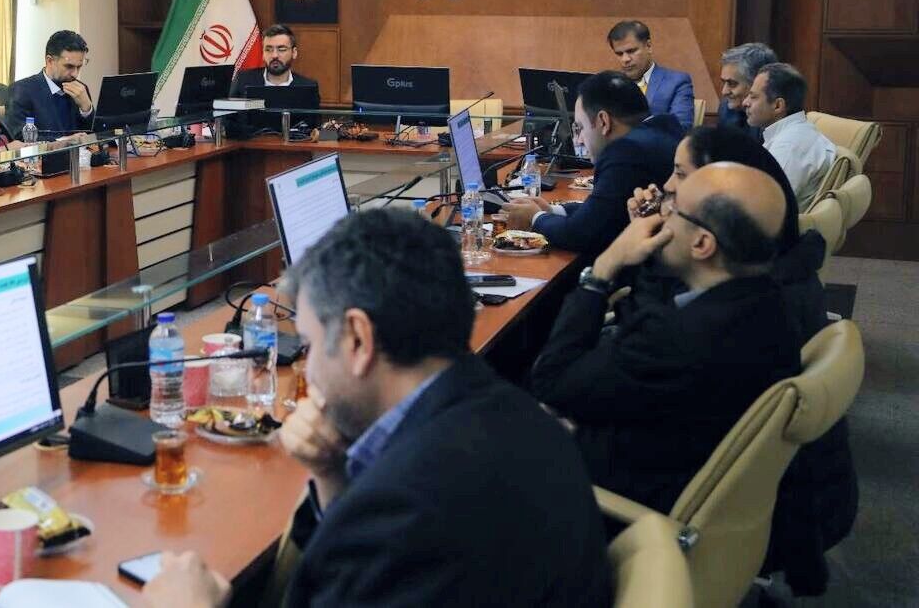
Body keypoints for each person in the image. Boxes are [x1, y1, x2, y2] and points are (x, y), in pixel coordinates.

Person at [143, 209, 612, 608]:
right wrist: (332, 476)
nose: (310, 369)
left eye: (310, 344)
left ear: (358, 339)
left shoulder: (404, 515)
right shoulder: (518, 412)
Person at [625, 126, 856, 597]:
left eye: (680, 174)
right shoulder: (779, 270)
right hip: (787, 501)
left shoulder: (749, 310)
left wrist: (635, 256)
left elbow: (643, 351)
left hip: (734, 510)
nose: (666, 186)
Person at [530, 163, 803, 517]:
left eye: (672, 208)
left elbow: (551, 381)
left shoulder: (678, 338)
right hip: (677, 454)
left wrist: (604, 267)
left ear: (702, 243)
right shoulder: (769, 301)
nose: (661, 214)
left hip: (627, 501)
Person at [504, 71, 680, 256]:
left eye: (580, 128)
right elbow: (606, 210)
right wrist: (552, 210)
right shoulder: (663, 128)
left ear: (603, 121)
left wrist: (535, 217)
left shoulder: (626, 151)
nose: (579, 139)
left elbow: (580, 234)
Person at [743, 62, 835, 210]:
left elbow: (767, 206)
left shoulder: (790, 146)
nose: (745, 102)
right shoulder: (794, 134)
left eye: (753, 97)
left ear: (778, 106)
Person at [6, 30, 94, 139]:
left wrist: (87, 110)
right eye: (69, 66)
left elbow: (97, 138)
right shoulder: (22, 91)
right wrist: (62, 142)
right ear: (50, 61)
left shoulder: (81, 90)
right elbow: (19, 137)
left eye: (79, 67)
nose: (75, 74)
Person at [607, 19, 695, 128]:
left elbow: (681, 127)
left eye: (631, 51)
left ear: (648, 46)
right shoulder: (610, 85)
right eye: (619, 54)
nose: (625, 59)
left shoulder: (677, 82)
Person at [228, 24, 321, 101]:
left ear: (294, 53)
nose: (274, 55)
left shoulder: (308, 87)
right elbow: (229, 116)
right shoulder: (243, 80)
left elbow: (312, 118)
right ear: (263, 53)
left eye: (281, 49)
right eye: (268, 50)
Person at [718, 42, 777, 137]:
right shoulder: (726, 109)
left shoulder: (777, 117)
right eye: (724, 82)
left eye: (732, 84)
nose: (724, 91)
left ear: (756, 83)